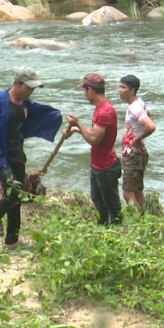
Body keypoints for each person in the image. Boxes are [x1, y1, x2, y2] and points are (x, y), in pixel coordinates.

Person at [0, 68, 61, 250]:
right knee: (15, 193)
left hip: (17, 154)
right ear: (18, 84)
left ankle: (12, 241)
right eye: (29, 88)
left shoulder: (25, 102)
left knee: (15, 197)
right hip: (0, 155)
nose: (31, 92)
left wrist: (62, 120)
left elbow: (42, 114)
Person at [64, 73, 122, 225]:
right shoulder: (100, 108)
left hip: (106, 167)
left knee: (112, 206)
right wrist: (76, 129)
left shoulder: (105, 112)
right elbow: (95, 133)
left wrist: (78, 123)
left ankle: (118, 233)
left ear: (90, 90)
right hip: (98, 165)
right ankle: (103, 230)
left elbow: (94, 140)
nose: (84, 94)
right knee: (98, 202)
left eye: (84, 90)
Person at [118, 75, 156, 208]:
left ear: (132, 90)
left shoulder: (135, 107)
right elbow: (148, 115)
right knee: (137, 190)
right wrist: (139, 135)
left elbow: (150, 126)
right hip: (137, 154)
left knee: (127, 192)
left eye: (123, 87)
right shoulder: (139, 103)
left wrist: (137, 140)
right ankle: (142, 218)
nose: (120, 90)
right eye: (120, 86)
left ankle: (136, 220)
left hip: (134, 155)